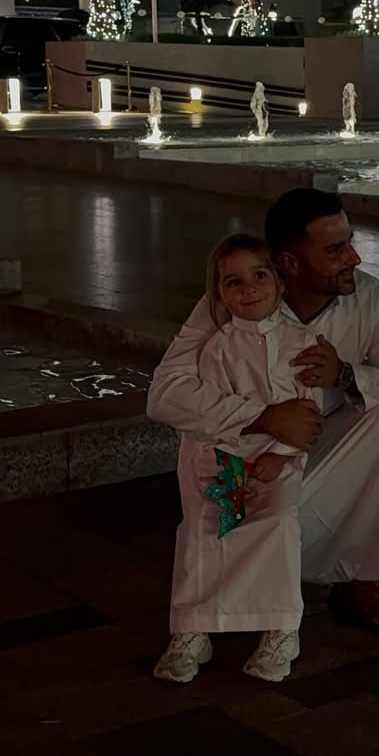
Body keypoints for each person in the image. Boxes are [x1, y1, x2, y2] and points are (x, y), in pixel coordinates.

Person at [148, 187, 379, 642]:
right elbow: (165, 395)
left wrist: (346, 374)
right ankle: (250, 585)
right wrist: (263, 417)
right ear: (290, 265)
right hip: (246, 460)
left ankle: (359, 572)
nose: (355, 258)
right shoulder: (232, 300)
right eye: (335, 250)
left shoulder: (368, 298)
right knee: (231, 477)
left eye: (350, 241)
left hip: (318, 449)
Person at [154, 235, 314, 685]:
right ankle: (193, 629)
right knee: (206, 526)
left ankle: (280, 629)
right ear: (220, 296)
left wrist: (279, 455)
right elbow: (196, 406)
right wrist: (233, 461)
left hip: (280, 461)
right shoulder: (217, 347)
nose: (249, 288)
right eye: (234, 282)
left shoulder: (302, 342)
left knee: (278, 522)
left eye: (259, 275)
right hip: (226, 457)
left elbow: (307, 412)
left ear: (280, 281)